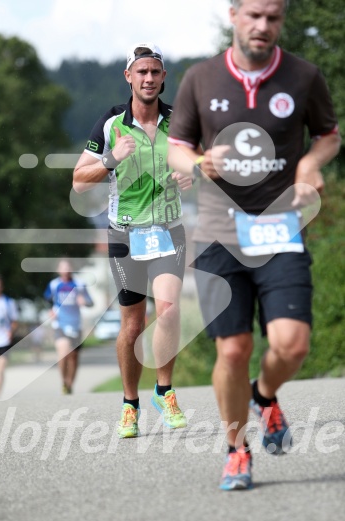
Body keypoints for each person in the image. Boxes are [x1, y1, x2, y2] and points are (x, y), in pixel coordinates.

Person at [168, 0, 341, 489]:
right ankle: (236, 450)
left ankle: (264, 396)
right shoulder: (200, 79)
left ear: (281, 20)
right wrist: (199, 163)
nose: (263, 26)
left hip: (279, 227)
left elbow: (328, 135)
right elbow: (176, 147)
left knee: (292, 344)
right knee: (233, 348)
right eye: (255, 16)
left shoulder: (303, 76)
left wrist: (308, 168)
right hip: (219, 233)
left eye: (273, 17)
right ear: (234, 15)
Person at [72, 43, 191, 438]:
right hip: (125, 234)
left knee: (170, 309)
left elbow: (201, 163)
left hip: (169, 228)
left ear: (163, 77)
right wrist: (110, 160)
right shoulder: (110, 125)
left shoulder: (180, 121)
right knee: (132, 325)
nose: (149, 79)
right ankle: (129, 403)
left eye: (155, 72)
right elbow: (77, 179)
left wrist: (193, 174)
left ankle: (165, 390)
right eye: (141, 72)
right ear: (129, 76)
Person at [44, 259, 94, 394]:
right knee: (62, 354)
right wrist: (50, 310)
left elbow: (91, 302)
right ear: (58, 270)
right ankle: (64, 381)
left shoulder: (79, 284)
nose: (65, 269)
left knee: (73, 357)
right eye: (62, 267)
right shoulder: (54, 284)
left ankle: (70, 384)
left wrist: (85, 301)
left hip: (75, 325)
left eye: (68, 266)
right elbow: (47, 299)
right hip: (60, 324)